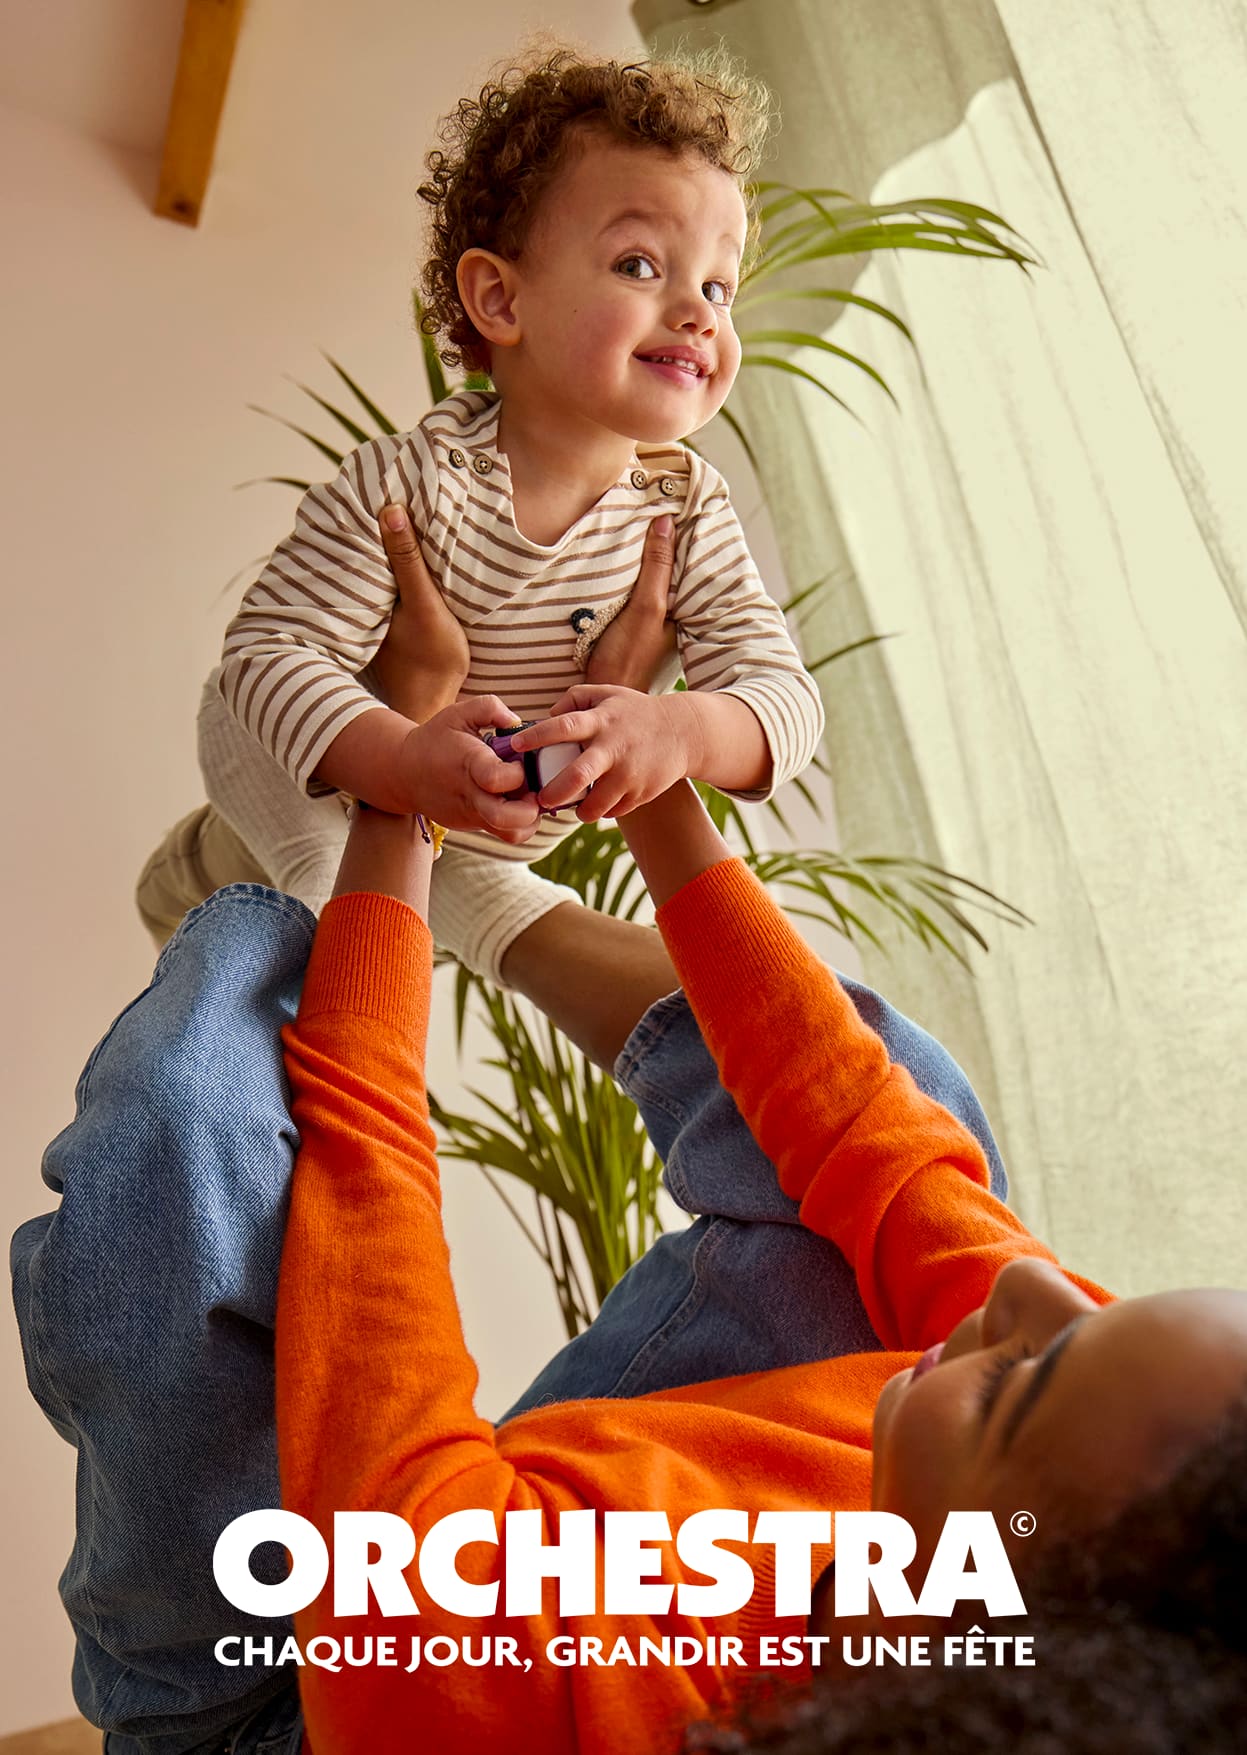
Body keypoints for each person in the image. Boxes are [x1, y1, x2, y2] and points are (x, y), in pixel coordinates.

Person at [14, 514, 1247, 1755]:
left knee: (180, 1118)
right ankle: (491, 907)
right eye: (1092, 1318)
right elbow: (867, 1128)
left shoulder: (528, 1690)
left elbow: (369, 1230)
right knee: (903, 1103)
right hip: (551, 1533)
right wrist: (640, 767)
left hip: (291, 1679)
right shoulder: (1025, 1426)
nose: (1033, 1287)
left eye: (1026, 1383)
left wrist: (391, 814)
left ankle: (295, 878)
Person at [137, 43, 825, 984]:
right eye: (639, 264)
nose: (700, 313)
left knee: (466, 902)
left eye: (717, 286)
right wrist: (397, 761)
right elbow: (268, 658)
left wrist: (681, 730)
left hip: (477, 825)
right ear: (500, 298)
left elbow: (784, 697)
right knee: (331, 910)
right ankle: (197, 875)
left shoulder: (686, 512)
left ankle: (214, 875)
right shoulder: (407, 482)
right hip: (306, 769)